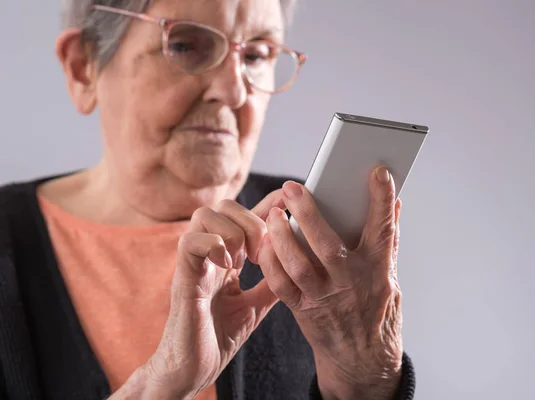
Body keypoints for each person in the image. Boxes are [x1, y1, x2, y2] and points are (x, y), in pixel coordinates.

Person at [0, 0, 416, 399]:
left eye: (256, 54)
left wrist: (368, 378)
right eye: (184, 45)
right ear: (84, 67)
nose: (234, 90)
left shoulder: (314, 235)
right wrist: (163, 384)